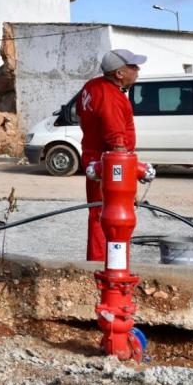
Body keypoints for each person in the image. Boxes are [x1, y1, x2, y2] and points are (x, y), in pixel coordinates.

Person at [76, 49, 147, 261]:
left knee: (97, 213)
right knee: (109, 215)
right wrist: (126, 176)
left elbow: (81, 118)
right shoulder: (112, 98)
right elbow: (117, 142)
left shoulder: (92, 86)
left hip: (94, 160)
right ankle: (106, 264)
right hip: (109, 166)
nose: (137, 70)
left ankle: (100, 260)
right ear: (119, 73)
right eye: (133, 67)